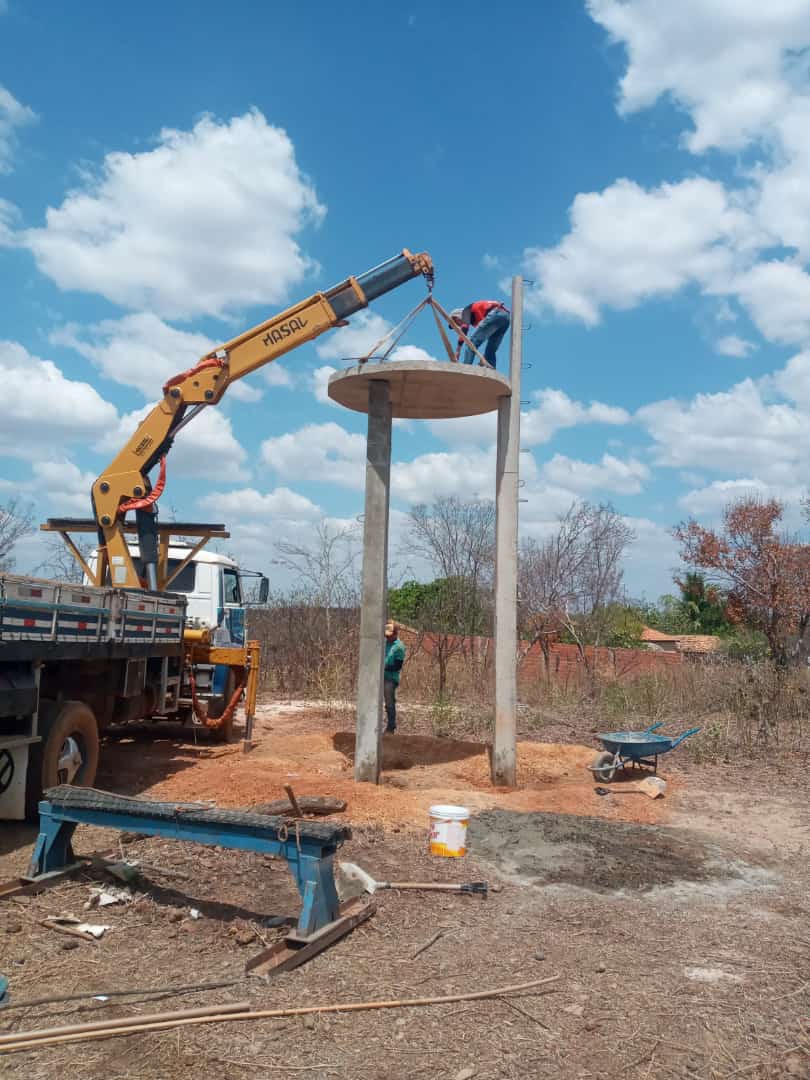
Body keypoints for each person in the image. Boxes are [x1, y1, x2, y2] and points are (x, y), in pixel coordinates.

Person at [449, 300, 510, 368]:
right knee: (490, 351)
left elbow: (464, 329)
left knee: (470, 344)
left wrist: (458, 351)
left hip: (496, 313)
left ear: (457, 316)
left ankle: (466, 370)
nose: (458, 325)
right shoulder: (477, 316)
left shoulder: (466, 311)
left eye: (456, 322)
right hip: (505, 317)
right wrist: (484, 358)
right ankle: (490, 371)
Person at [383, 620, 406, 734]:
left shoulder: (399, 647)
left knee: (389, 701)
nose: (388, 637)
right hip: (379, 677)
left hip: (390, 678)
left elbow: (397, 666)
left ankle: (391, 726)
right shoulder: (384, 642)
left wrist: (383, 667)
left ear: (396, 633)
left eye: (390, 635)